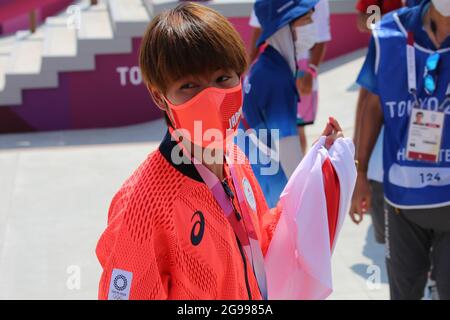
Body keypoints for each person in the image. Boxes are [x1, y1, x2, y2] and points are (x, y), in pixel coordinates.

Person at [96, 2, 345, 300]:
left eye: (222, 79)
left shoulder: (236, 159)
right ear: (159, 95)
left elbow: (266, 240)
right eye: (189, 85)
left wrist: (322, 171)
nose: (211, 98)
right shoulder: (143, 207)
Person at [351, 0, 450, 299]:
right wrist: (360, 172)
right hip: (402, 199)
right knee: (404, 293)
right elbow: (371, 105)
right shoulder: (388, 33)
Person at [240, 0, 319, 208]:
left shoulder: (266, 66)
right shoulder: (277, 78)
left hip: (254, 181)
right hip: (270, 193)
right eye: (307, 20)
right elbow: (288, 151)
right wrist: (309, 202)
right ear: (285, 28)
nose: (313, 25)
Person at [295, 0, 331, 156]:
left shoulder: (320, 2)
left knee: (296, 130)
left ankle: (296, 178)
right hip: (276, 69)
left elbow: (321, 38)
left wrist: (311, 72)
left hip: (303, 72)